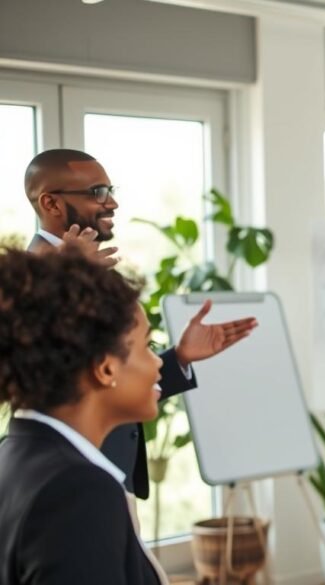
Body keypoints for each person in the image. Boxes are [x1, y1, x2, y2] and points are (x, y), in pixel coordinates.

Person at [22, 148, 257, 500]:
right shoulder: (25, 280)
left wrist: (179, 359)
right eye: (97, 192)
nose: (112, 203)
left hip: (112, 476)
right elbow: (40, 372)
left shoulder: (90, 266)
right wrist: (68, 276)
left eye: (111, 190)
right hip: (68, 483)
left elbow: (108, 376)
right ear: (51, 204)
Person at [0, 249, 166, 584]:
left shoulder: (12, 451)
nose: (158, 362)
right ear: (105, 367)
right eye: (147, 347)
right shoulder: (79, 492)